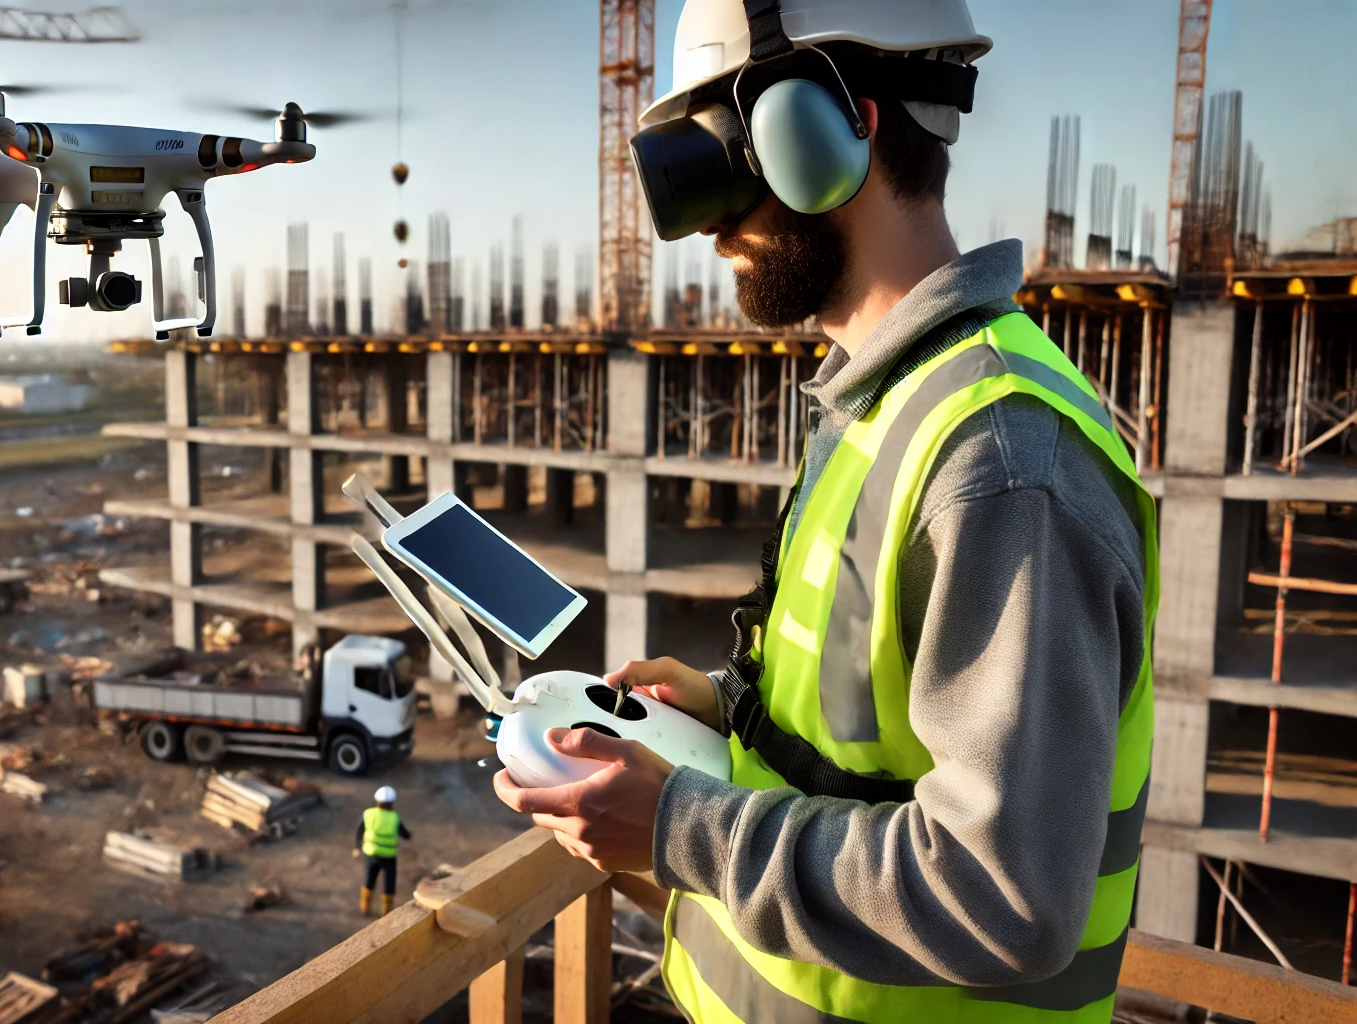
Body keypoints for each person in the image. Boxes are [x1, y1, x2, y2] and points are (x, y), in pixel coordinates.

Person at [494, 2, 1157, 1022]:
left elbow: (1004, 897)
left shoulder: (1004, 461)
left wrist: (676, 827)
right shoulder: (883, 401)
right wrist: (730, 709)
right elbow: (878, 723)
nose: (707, 228)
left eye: (715, 166)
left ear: (826, 124)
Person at [352, 785, 411, 917]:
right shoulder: (394, 817)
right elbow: (404, 833)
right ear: (391, 803)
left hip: (371, 853)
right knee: (389, 882)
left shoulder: (368, 814)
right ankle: (387, 912)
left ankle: (365, 907)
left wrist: (356, 847)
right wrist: (409, 835)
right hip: (389, 856)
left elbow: (359, 830)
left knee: (369, 878)